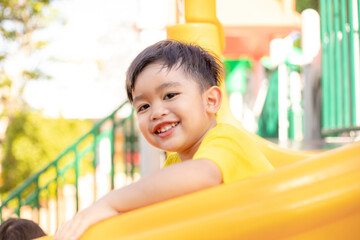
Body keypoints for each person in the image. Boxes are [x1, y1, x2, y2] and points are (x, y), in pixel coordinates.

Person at [54, 40, 274, 240]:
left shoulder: (227, 140)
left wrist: (109, 202)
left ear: (211, 100)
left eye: (169, 95)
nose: (156, 112)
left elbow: (203, 174)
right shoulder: (174, 164)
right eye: (143, 107)